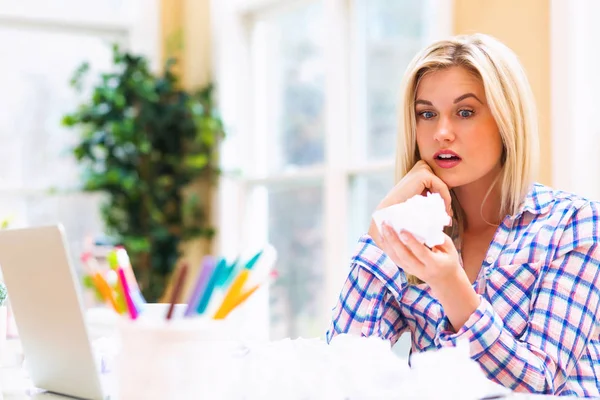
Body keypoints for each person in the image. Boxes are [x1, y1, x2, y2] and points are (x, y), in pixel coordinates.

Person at [326, 33, 600, 397]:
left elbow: (538, 382)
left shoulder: (573, 224)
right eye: (427, 114)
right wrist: (383, 224)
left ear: (506, 121)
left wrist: (451, 284)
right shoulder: (415, 230)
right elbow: (342, 368)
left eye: (465, 112)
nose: (441, 133)